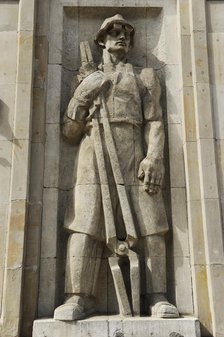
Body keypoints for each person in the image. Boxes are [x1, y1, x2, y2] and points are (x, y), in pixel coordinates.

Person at [54, 14, 179, 320]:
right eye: (113, 32)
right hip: (92, 152)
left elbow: (154, 121)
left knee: (151, 224)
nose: (120, 36)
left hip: (133, 148)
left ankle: (157, 296)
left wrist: (154, 157)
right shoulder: (83, 78)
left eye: (125, 32)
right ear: (102, 40)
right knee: (85, 220)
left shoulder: (145, 76)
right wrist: (82, 94)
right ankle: (78, 297)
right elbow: (69, 133)